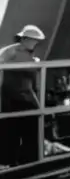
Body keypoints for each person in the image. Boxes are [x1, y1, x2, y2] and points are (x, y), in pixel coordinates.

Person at [0, 24, 45, 165]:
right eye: (33, 40)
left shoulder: (14, 52)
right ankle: (23, 164)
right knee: (19, 133)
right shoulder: (14, 52)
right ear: (25, 39)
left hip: (19, 99)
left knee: (18, 133)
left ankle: (20, 163)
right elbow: (31, 67)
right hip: (15, 99)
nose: (35, 43)